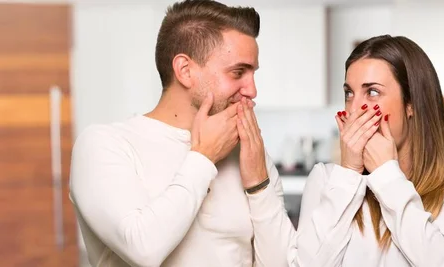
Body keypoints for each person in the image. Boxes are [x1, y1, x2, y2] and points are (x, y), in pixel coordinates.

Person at [69, 1, 290, 266]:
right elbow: (143, 248)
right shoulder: (104, 145)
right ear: (185, 71)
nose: (252, 90)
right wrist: (203, 157)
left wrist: (258, 185)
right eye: (238, 72)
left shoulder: (250, 154)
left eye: (253, 73)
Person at [252, 35, 444, 266]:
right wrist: (349, 173)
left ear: (411, 102)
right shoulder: (325, 179)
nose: (355, 109)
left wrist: (386, 174)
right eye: (349, 93)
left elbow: (438, 262)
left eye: (372, 92)